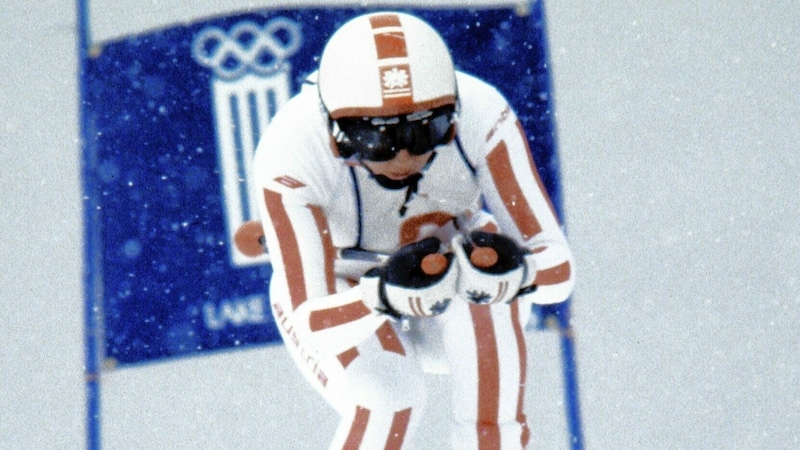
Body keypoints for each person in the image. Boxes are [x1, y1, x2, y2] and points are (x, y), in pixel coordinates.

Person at [251, 11, 574, 449]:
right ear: (335, 132)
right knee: (388, 398)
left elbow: (559, 271)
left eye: (428, 131)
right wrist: (379, 295)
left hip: (447, 289)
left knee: (488, 284)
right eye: (376, 138)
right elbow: (313, 323)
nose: (404, 158)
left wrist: (518, 273)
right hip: (346, 293)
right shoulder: (291, 149)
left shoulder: (483, 111)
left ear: (454, 115)